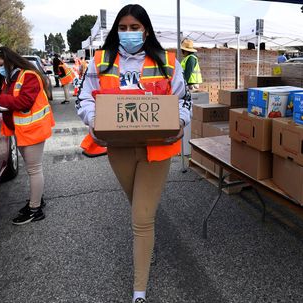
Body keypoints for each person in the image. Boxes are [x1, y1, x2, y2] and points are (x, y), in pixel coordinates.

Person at [75, 4, 191, 303]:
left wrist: (179, 121)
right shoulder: (101, 61)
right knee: (137, 205)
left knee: (141, 216)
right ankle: (147, 246)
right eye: (123, 28)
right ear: (116, 31)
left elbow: (183, 99)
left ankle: (139, 290)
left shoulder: (167, 61)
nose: (128, 33)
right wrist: (93, 119)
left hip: (157, 148)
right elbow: (84, 97)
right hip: (120, 148)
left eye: (134, 27)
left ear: (146, 30)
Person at [0, 46, 55, 225]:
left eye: (1, 64)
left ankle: (35, 209)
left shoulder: (28, 75)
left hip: (33, 130)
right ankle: (36, 200)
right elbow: (10, 105)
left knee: (34, 169)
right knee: (32, 169)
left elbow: (24, 102)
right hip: (23, 131)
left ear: (10, 61)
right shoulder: (10, 79)